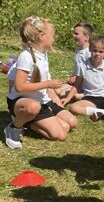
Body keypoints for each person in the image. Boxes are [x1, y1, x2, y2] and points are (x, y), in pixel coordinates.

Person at [4, 16, 77, 149]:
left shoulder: (43, 54)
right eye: (52, 35)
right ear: (42, 36)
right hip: (23, 102)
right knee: (36, 110)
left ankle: (27, 122)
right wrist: (47, 84)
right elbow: (19, 87)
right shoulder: (26, 56)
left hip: (40, 102)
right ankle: (14, 128)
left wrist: (53, 99)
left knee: (67, 127)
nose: (54, 38)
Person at [56, 21, 94, 105]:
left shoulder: (89, 53)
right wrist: (73, 76)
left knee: (61, 94)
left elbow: (92, 73)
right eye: (74, 33)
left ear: (86, 37)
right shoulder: (79, 50)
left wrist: (76, 78)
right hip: (77, 83)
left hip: (85, 86)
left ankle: (86, 96)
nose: (74, 36)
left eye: (76, 34)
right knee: (57, 90)